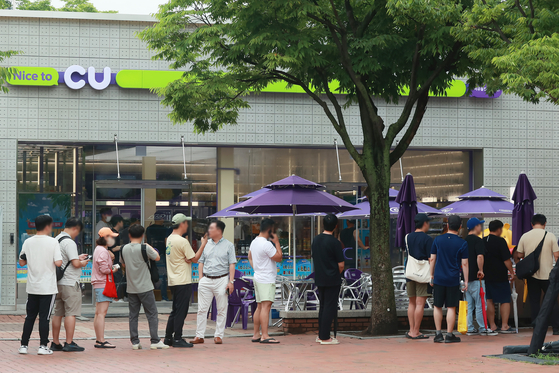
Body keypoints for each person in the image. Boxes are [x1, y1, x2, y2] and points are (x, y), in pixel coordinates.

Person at [18, 215, 63, 355]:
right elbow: (58, 263)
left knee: (29, 317)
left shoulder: (28, 242)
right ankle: (43, 346)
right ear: (48, 226)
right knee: (45, 317)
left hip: (32, 286)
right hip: (48, 287)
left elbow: (21, 262)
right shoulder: (53, 242)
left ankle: (23, 345)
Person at [120, 224, 169, 350]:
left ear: (129, 235)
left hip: (131, 287)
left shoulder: (123, 248)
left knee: (133, 315)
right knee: (152, 314)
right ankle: (155, 340)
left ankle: (135, 342)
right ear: (143, 236)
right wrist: (148, 245)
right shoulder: (144, 248)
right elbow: (157, 257)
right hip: (145, 286)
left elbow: (123, 264)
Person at [190, 220, 236, 345]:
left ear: (219, 231)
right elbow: (201, 262)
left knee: (221, 308)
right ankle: (199, 335)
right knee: (202, 309)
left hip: (222, 279)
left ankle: (218, 335)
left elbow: (232, 264)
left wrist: (230, 281)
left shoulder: (229, 245)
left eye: (211, 228)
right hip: (206, 279)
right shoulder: (205, 244)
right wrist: (201, 279)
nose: (208, 231)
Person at [164, 214, 205, 348]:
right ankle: (177, 338)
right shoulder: (182, 241)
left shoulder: (170, 239)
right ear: (182, 224)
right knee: (181, 311)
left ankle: (168, 337)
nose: (187, 225)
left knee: (175, 310)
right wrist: (203, 245)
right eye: (186, 223)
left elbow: (186, 257)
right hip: (183, 280)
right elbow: (194, 259)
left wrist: (188, 257)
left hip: (173, 280)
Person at [51, 218, 90, 352]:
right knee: (71, 314)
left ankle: (55, 342)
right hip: (70, 282)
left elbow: (63, 260)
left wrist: (77, 257)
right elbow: (75, 264)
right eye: (77, 232)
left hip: (58, 283)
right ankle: (69, 343)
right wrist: (83, 263)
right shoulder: (69, 242)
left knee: (58, 313)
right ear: (75, 228)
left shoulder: (56, 239)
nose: (76, 234)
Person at [516, 214, 559, 334]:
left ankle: (537, 328)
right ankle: (556, 328)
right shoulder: (550, 236)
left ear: (532, 224)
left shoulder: (525, 236)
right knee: (552, 301)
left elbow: (519, 255)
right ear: (545, 223)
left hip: (531, 275)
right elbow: (557, 256)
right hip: (548, 275)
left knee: (534, 302)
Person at [430, 215, 468, 343]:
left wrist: (431, 275)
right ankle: (449, 335)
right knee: (451, 307)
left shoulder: (438, 240)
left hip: (439, 277)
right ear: (460, 227)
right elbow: (465, 264)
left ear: (447, 225)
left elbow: (432, 259)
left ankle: (438, 334)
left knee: (437, 306)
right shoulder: (463, 243)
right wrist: (466, 281)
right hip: (453, 278)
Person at [248, 218, 283, 344]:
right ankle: (265, 335)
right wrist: (277, 242)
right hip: (266, 278)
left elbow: (249, 257)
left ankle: (256, 334)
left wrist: (256, 267)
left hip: (258, 276)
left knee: (259, 306)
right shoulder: (266, 244)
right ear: (270, 230)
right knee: (266, 307)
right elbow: (279, 258)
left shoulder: (254, 242)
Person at [312, 214, 344, 345]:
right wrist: (336, 272)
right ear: (336, 226)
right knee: (330, 307)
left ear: (323, 224)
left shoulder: (316, 240)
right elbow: (341, 265)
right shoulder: (335, 243)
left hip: (319, 277)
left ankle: (321, 334)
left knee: (323, 306)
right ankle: (325, 337)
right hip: (332, 278)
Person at [464, 217, 497, 336]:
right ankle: (483, 328)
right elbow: (480, 256)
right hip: (477, 278)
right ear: (476, 227)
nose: (481, 227)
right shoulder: (478, 241)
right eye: (480, 225)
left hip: (466, 279)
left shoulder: (464, 241)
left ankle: (470, 328)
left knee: (469, 305)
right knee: (480, 304)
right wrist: (481, 270)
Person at [484, 220, 515, 333]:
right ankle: (504, 325)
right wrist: (511, 272)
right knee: (505, 300)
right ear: (499, 229)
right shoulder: (501, 241)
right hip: (500, 275)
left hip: (486, 275)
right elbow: (506, 259)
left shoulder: (483, 240)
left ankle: (492, 326)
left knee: (489, 300)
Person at [405, 213, 433, 340]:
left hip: (410, 272)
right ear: (425, 223)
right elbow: (431, 259)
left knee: (411, 303)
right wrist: (432, 274)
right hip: (423, 274)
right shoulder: (428, 239)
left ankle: (411, 330)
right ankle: (416, 331)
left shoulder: (408, 237)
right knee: (420, 303)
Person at [92, 227, 119, 349]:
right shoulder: (102, 251)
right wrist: (112, 269)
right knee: (102, 313)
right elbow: (104, 270)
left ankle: (99, 339)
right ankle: (101, 340)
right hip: (103, 283)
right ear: (106, 238)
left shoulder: (99, 249)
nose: (113, 239)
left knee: (98, 313)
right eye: (111, 237)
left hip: (99, 284)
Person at [146, 212, 171, 301]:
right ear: (161, 219)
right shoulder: (165, 229)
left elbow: (147, 240)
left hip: (150, 253)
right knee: (163, 275)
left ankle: (150, 297)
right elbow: (166, 242)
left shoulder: (149, 229)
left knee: (151, 274)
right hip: (162, 254)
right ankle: (164, 296)